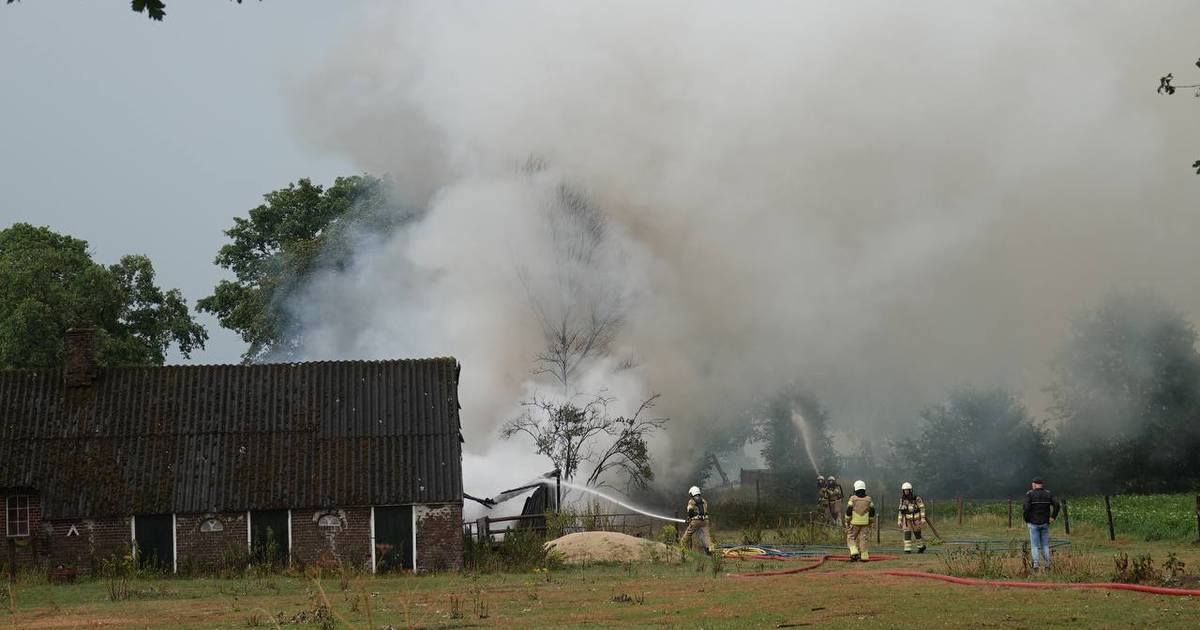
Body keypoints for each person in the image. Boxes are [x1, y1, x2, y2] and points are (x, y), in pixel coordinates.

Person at [1022, 476, 1060, 571]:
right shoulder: (1048, 493)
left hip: (1033, 523)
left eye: (1032, 485)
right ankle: (1047, 564)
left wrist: (1026, 520)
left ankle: (1036, 565)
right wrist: (1053, 517)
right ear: (1041, 484)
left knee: (1034, 545)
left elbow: (1026, 508)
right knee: (1045, 545)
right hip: (1045, 523)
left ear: (1034, 484)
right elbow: (1057, 504)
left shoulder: (1030, 494)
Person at [844, 480, 875, 562]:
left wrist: (847, 521)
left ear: (855, 488)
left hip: (854, 523)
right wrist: (871, 521)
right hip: (865, 523)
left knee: (851, 537)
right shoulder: (869, 499)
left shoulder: (853, 499)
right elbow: (872, 512)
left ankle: (854, 552)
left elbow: (848, 511)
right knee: (863, 539)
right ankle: (864, 556)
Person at [681, 485, 713, 554]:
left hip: (696, 521)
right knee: (706, 536)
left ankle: (683, 549)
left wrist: (689, 518)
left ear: (692, 493)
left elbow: (690, 511)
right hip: (705, 520)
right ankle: (710, 550)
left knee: (687, 535)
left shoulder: (692, 501)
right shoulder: (704, 501)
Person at [896, 482, 927, 553]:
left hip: (915, 519)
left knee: (917, 533)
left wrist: (923, 518)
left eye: (907, 490)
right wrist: (899, 520)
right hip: (907, 520)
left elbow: (922, 508)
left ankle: (921, 547)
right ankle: (907, 549)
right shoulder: (902, 499)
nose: (906, 491)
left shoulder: (916, 498)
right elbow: (900, 510)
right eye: (904, 490)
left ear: (910, 490)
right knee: (907, 533)